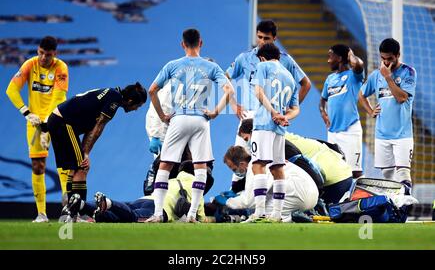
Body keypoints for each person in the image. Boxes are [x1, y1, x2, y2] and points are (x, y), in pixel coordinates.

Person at [146, 28, 234, 223]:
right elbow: (229, 90)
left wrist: (163, 116)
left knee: (165, 165)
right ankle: (193, 214)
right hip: (201, 120)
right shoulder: (211, 67)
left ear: (182, 44)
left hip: (179, 118)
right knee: (200, 167)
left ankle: (158, 213)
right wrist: (215, 112)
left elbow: (152, 91)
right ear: (201, 43)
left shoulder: (173, 65)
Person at [46, 82, 147, 203]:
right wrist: (86, 153)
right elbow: (98, 127)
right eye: (138, 106)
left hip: (59, 121)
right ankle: (76, 211)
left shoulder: (112, 94)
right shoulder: (114, 99)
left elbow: (91, 128)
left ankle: (69, 207)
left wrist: (85, 152)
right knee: (82, 167)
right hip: (63, 123)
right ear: (130, 101)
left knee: (75, 168)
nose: (136, 110)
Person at [6, 36, 69, 223]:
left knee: (64, 166)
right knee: (38, 166)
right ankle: (41, 214)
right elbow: (11, 90)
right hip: (34, 123)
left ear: (54, 54)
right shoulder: (30, 64)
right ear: (37, 50)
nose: (43, 58)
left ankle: (68, 213)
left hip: (56, 121)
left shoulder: (61, 68)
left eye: (47, 55)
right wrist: (26, 113)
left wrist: (47, 127)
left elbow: (58, 100)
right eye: (40, 53)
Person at [226, 20, 311, 148]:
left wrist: (288, 110)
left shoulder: (285, 60)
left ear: (274, 38)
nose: (262, 41)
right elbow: (224, 77)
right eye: (259, 37)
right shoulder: (245, 58)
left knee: (268, 162)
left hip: (272, 117)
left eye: (267, 38)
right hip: (249, 114)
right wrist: (233, 104)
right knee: (241, 158)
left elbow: (306, 84)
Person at [238, 118, 353, 205]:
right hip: (342, 174)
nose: (248, 144)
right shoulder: (278, 136)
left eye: (247, 139)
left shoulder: (273, 142)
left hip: (333, 179)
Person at [245, 42, 300, 222]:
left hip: (263, 123)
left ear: (262, 57)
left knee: (257, 164)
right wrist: (285, 117)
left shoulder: (262, 66)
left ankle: (260, 212)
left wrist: (273, 112)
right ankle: (277, 214)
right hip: (279, 128)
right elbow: (295, 108)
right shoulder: (290, 77)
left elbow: (259, 92)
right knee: (277, 168)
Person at [64, 161, 209, 223]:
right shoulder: (197, 188)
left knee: (117, 218)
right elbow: (200, 218)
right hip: (160, 210)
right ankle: (108, 203)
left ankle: (82, 204)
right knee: (133, 217)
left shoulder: (172, 180)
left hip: (145, 199)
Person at [359, 38, 416, 190]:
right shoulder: (375, 75)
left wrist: (388, 78)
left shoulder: (408, 72)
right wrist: (371, 111)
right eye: (383, 58)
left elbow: (402, 98)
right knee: (388, 176)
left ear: (398, 55)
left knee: (403, 173)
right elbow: (361, 95)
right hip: (382, 135)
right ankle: (394, 209)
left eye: (389, 59)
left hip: (402, 134)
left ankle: (405, 207)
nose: (385, 63)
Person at [221, 146, 318, 222]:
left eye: (233, 169)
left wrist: (227, 201)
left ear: (242, 164)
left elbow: (249, 201)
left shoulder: (254, 166)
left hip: (299, 194)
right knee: (264, 206)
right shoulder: (263, 159)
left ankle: (293, 218)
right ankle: (300, 215)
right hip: (312, 195)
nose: (235, 172)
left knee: (261, 216)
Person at [319, 45, 365, 178]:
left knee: (354, 172)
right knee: (336, 170)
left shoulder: (353, 76)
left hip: (350, 129)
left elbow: (359, 64)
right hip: (333, 132)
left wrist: (350, 54)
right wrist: (323, 112)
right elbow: (322, 100)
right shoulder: (330, 79)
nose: (328, 60)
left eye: (330, 56)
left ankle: (358, 198)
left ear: (339, 58)